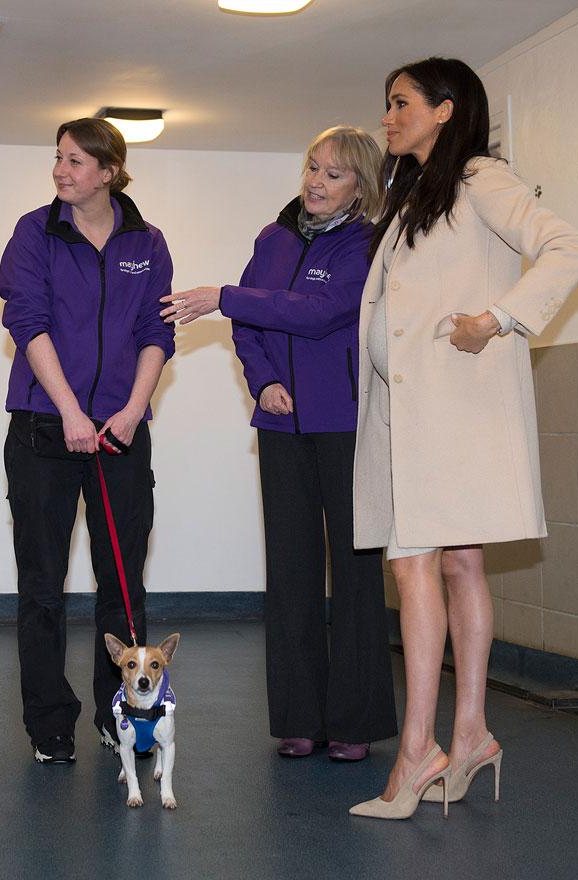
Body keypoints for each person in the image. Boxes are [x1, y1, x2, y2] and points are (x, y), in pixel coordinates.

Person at [347, 57, 578, 819]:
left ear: (447, 110)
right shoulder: (413, 194)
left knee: (421, 565)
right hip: (411, 409)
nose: (387, 118)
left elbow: (569, 248)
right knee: (456, 565)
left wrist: (498, 318)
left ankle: (419, 752)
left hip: (453, 409)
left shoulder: (480, 177)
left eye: (401, 104)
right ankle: (472, 731)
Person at [161, 126, 397, 762]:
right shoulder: (274, 238)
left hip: (345, 425)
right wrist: (262, 381)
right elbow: (251, 325)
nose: (317, 183)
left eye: (334, 174)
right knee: (291, 570)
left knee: (353, 572)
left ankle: (354, 722)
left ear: (361, 186)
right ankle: (299, 717)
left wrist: (223, 296)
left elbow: (320, 310)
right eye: (313, 169)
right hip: (281, 427)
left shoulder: (367, 245)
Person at [0, 118, 175, 764]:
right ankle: (49, 724)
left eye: (74, 161)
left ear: (109, 171)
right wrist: (71, 410)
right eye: (58, 158)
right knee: (42, 585)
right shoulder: (35, 233)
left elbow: (159, 335)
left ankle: (120, 712)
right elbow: (28, 321)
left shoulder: (147, 242)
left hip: (122, 434)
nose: (60, 171)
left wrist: (131, 411)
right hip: (46, 430)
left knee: (122, 585)